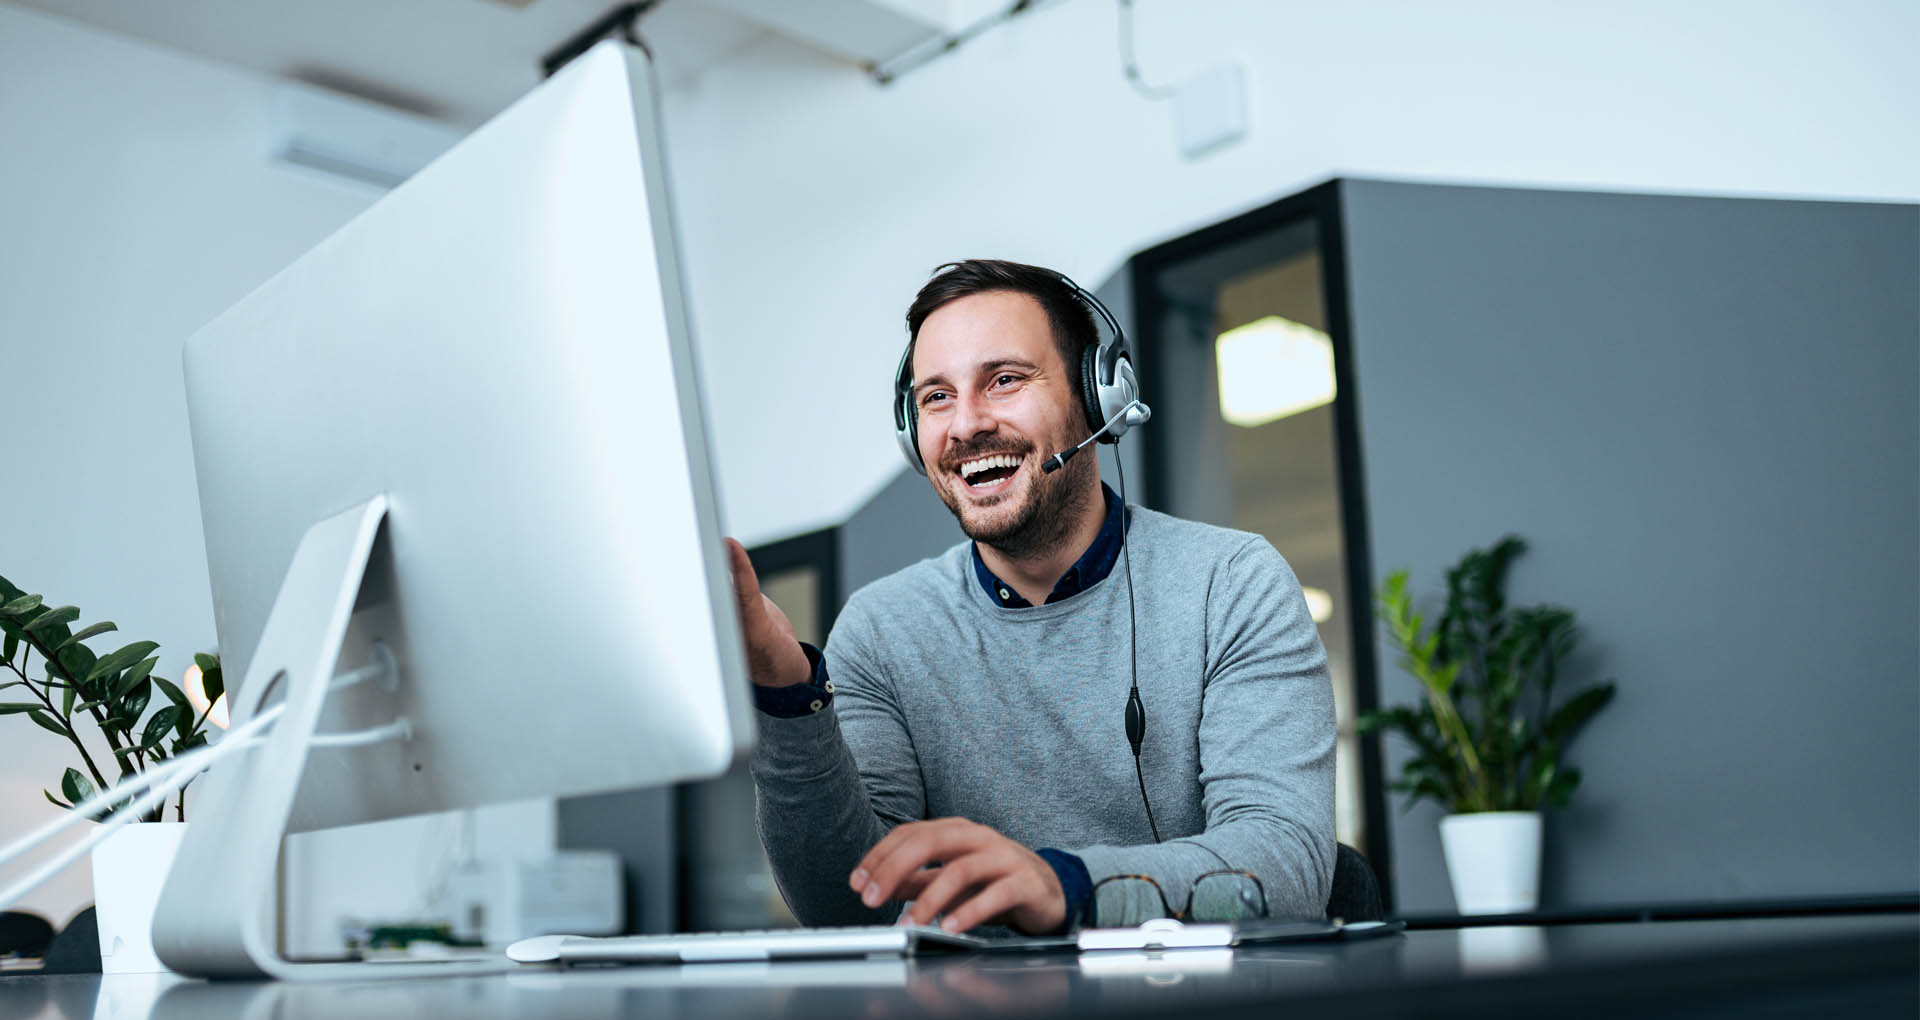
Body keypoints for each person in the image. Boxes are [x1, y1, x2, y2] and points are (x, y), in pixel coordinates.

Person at [726, 259, 1334, 936]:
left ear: (1097, 396)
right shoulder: (880, 630)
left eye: (1004, 380)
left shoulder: (1232, 584)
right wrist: (786, 694)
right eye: (936, 397)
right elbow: (849, 906)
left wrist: (1068, 886)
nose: (966, 425)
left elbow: (1289, 866)